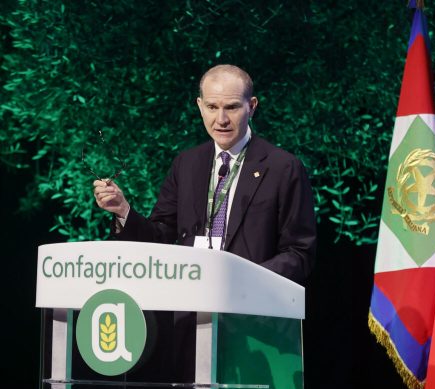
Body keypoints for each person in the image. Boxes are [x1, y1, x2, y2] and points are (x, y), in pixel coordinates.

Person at [92, 64, 317, 285]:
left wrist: (248, 278)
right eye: (212, 107)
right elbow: (158, 239)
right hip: (191, 308)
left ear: (252, 106)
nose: (221, 119)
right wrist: (123, 210)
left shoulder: (283, 168)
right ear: (200, 106)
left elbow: (299, 253)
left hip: (252, 309)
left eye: (231, 107)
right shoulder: (187, 164)